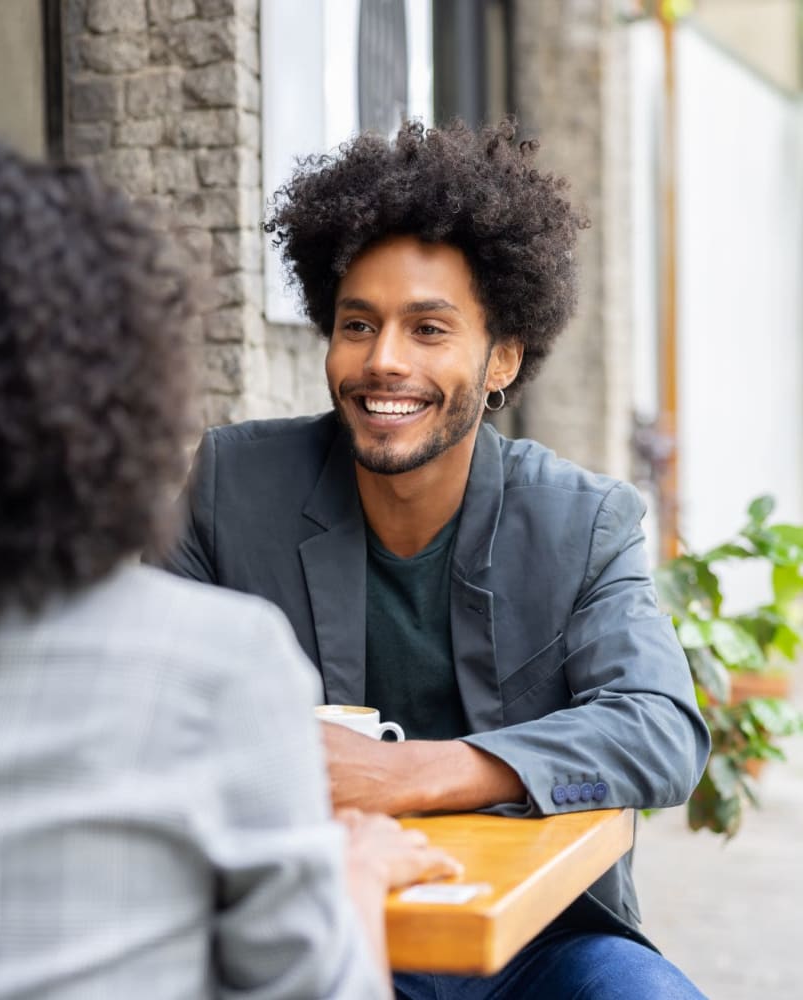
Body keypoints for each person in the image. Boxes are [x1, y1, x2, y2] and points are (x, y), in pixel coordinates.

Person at [0, 137, 461, 999]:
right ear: (115, 390)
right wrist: (357, 877)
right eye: (359, 323)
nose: (383, 358)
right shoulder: (217, 665)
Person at [160, 119, 712, 998]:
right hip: (300, 924)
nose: (383, 362)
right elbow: (138, 695)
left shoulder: (581, 520)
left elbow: (660, 729)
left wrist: (409, 773)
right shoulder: (236, 484)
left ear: (502, 358)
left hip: (539, 942)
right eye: (357, 324)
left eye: (428, 330)